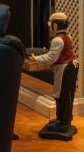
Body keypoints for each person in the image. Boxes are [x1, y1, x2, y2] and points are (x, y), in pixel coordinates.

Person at [26, 12, 79, 141]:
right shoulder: (67, 36)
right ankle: (62, 119)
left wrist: (36, 58)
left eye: (51, 25)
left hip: (65, 69)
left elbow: (51, 57)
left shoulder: (57, 40)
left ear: (55, 26)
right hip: (68, 68)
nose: (50, 28)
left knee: (63, 95)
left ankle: (64, 122)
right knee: (63, 94)